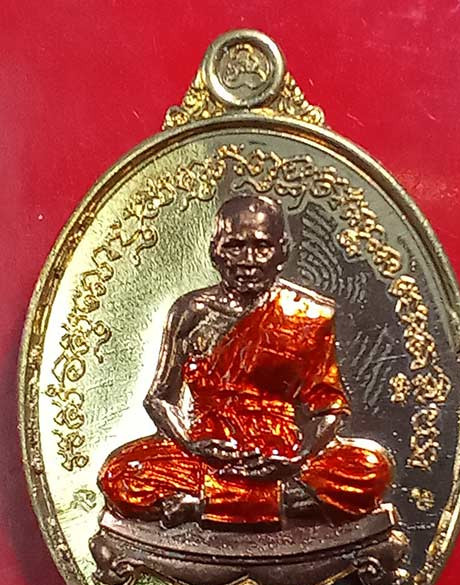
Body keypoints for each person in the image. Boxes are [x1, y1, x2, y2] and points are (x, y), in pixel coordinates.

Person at [98, 194, 393, 528]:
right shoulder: (192, 312)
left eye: (262, 246)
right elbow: (160, 398)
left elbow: (328, 408)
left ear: (282, 251)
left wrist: (298, 457)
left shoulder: (310, 314)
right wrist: (192, 443)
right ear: (215, 251)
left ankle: (201, 506)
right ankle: (278, 504)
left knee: (369, 468)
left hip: (281, 452)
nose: (248, 261)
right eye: (235, 246)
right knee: (122, 474)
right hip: (210, 451)